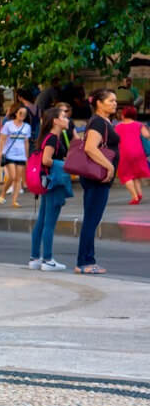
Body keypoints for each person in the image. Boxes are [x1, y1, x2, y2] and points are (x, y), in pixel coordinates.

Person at [75, 88, 118, 275]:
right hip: (97, 178)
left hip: (98, 178)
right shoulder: (98, 122)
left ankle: (86, 260)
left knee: (92, 219)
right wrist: (109, 166)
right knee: (91, 221)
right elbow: (90, 148)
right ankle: (85, 262)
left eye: (115, 101)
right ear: (99, 103)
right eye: (110, 101)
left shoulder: (104, 122)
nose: (115, 104)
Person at [28, 107, 73, 271]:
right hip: (54, 182)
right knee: (49, 223)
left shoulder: (47, 137)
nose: (67, 119)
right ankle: (48, 259)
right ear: (55, 120)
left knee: (42, 221)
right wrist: (65, 164)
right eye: (64, 116)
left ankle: (35, 258)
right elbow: (47, 160)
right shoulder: (53, 138)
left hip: (46, 181)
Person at [114, 105, 150, 204]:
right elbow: (147, 135)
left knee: (126, 175)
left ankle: (135, 197)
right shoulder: (139, 125)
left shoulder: (118, 126)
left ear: (123, 115)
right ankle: (139, 193)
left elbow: (114, 139)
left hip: (124, 152)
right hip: (138, 152)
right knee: (136, 174)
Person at [0, 104, 31, 207]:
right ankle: (3, 194)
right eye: (20, 113)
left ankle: (14, 201)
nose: (22, 115)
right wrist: (0, 151)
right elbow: (2, 139)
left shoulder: (27, 127)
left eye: (24, 114)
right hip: (9, 154)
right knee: (12, 176)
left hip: (21, 155)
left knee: (18, 179)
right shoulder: (8, 124)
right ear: (16, 113)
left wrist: (26, 156)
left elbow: (26, 142)